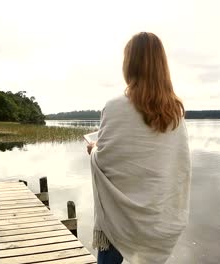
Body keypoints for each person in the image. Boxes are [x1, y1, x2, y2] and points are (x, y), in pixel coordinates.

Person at [87, 32, 191, 264]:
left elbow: (104, 161)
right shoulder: (175, 113)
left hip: (118, 215)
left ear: (130, 64)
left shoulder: (114, 107)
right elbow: (179, 168)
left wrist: (93, 149)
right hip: (158, 215)